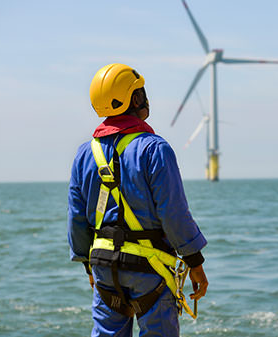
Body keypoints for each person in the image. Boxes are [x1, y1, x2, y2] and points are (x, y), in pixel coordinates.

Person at [68, 63, 208, 337]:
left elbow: (77, 216)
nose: (145, 97)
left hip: (103, 266)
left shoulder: (85, 154)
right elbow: (173, 213)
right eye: (140, 91)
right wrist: (195, 262)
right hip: (150, 269)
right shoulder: (154, 149)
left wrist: (88, 265)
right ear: (133, 99)